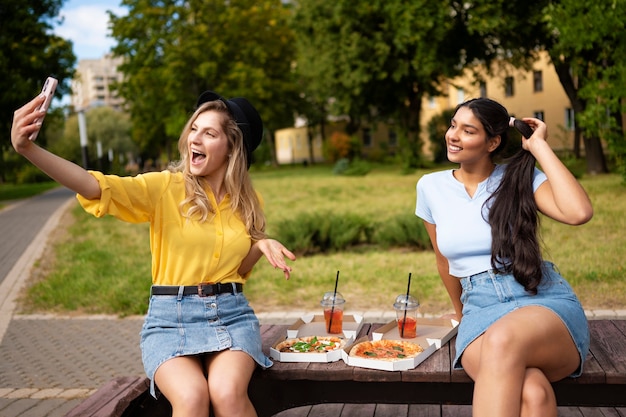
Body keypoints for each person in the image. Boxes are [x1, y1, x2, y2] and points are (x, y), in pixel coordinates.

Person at [11, 90, 296, 417]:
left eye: (209, 132)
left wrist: (260, 245)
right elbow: (95, 186)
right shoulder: (166, 188)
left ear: (233, 148)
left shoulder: (248, 201)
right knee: (191, 398)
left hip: (230, 315)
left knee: (227, 394)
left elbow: (236, 273)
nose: (195, 138)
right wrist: (28, 149)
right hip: (171, 319)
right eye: (194, 128)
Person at [415, 98, 593, 417]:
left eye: (468, 130)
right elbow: (443, 261)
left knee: (503, 339)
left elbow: (578, 212)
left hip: (540, 301)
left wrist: (538, 147)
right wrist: (461, 312)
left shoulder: (517, 177)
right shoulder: (430, 187)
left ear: (492, 142)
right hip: (479, 309)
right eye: (453, 125)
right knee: (534, 393)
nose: (453, 135)